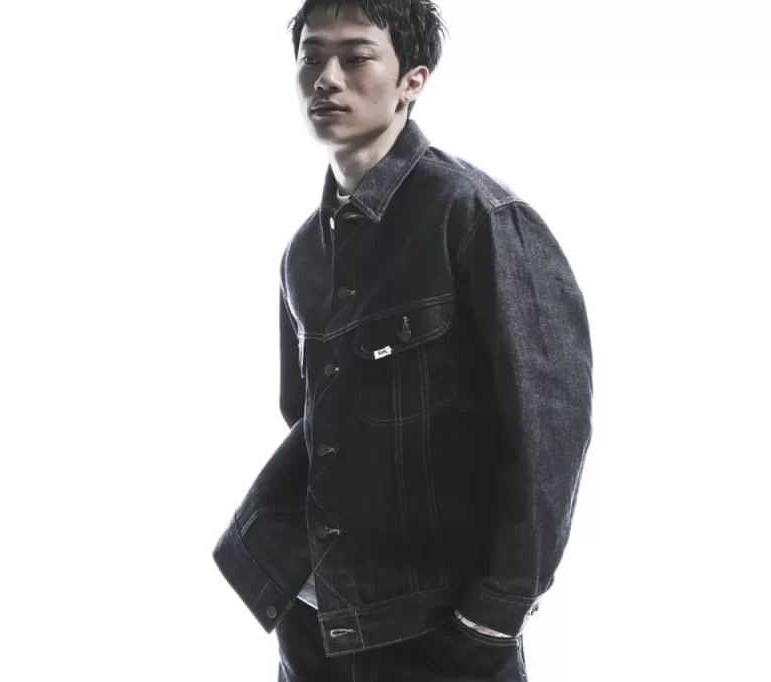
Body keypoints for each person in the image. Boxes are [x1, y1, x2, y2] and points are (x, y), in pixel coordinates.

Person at [212, 1, 594, 679]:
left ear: (412, 81)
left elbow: (549, 435)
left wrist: (497, 611)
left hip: (439, 628)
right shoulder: (304, 252)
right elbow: (306, 420)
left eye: (356, 57)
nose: (326, 78)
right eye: (311, 56)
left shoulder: (476, 216)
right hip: (316, 618)